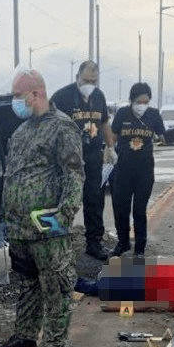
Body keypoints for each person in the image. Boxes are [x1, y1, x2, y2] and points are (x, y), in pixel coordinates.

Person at [0, 67, 84, 347]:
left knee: (54, 286)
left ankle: (54, 344)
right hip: (20, 229)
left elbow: (74, 174)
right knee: (28, 284)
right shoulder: (20, 132)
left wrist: (64, 214)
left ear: (36, 93)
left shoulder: (62, 128)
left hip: (47, 226)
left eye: (18, 96)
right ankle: (25, 335)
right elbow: (16, 176)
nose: (15, 102)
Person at [50, 60, 115, 261]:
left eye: (93, 81)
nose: (90, 84)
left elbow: (104, 121)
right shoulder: (62, 97)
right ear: (77, 76)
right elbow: (49, 124)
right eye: (86, 80)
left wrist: (111, 147)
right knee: (64, 201)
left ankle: (94, 243)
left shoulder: (99, 96)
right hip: (68, 159)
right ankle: (59, 242)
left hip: (93, 156)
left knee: (94, 200)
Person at [109, 82, 167, 258]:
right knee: (121, 209)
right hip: (123, 170)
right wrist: (110, 150)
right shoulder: (122, 114)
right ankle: (123, 243)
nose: (142, 105)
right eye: (139, 101)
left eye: (145, 101)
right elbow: (113, 133)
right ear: (132, 100)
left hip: (145, 171)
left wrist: (161, 139)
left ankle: (140, 248)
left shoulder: (154, 115)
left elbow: (163, 137)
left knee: (139, 210)